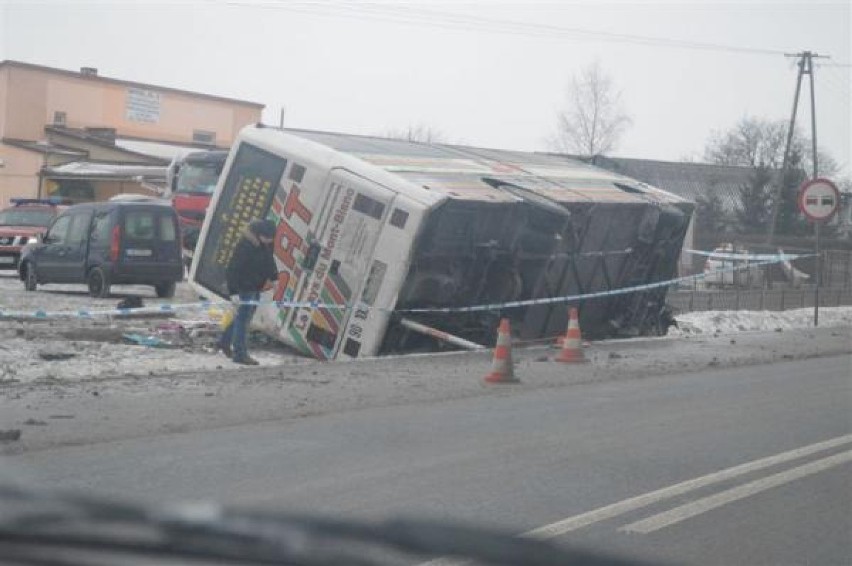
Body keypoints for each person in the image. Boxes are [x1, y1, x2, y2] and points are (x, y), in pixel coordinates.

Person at [217, 219, 278, 365]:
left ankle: (224, 341)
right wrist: (234, 293)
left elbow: (269, 260)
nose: (269, 241)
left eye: (271, 239)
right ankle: (240, 354)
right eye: (267, 238)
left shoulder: (266, 244)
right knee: (243, 320)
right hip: (243, 287)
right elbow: (233, 270)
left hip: (256, 285)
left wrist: (274, 277)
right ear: (259, 234)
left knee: (242, 317)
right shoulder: (245, 246)